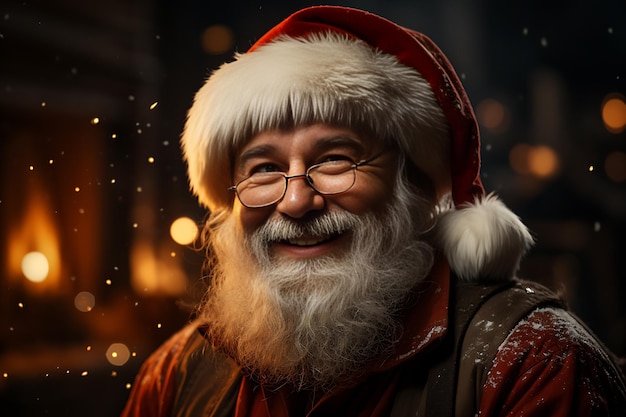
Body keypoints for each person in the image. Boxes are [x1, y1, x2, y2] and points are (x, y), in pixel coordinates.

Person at [121, 6, 626, 417]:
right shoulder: (178, 374)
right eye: (264, 170)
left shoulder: (532, 361)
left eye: (335, 160)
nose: (296, 202)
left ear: (414, 183)